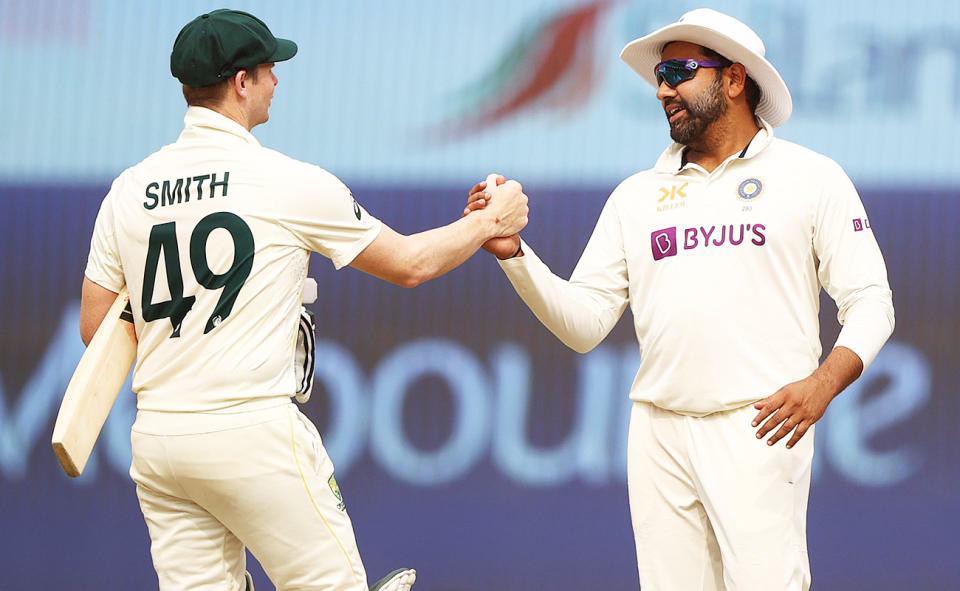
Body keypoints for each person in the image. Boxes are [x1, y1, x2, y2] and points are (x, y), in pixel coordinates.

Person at [79, 9, 527, 591]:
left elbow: (98, 329)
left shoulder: (127, 192)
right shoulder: (286, 180)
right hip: (253, 429)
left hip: (161, 440)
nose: (276, 79)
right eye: (269, 68)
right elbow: (411, 265)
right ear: (241, 81)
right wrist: (489, 221)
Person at [466, 8, 893, 590]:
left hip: (759, 425)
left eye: (679, 71)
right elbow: (584, 324)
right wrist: (515, 254)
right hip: (657, 432)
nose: (663, 89)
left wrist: (822, 386)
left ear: (736, 78)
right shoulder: (636, 196)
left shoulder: (812, 177)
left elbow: (872, 301)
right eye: (660, 76)